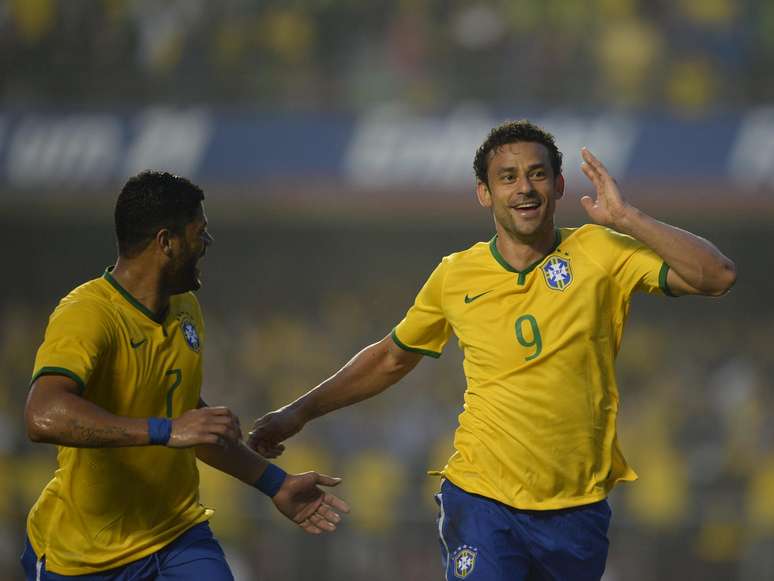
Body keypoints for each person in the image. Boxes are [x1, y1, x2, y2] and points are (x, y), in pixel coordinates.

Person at [247, 120, 737, 581]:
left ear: (559, 186)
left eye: (536, 174)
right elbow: (391, 357)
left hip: (577, 507)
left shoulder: (601, 252)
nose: (523, 188)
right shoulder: (456, 275)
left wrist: (628, 218)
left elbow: (716, 276)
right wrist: (296, 413)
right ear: (485, 193)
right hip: (482, 498)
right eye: (507, 177)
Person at [22, 171, 350, 580]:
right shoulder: (87, 313)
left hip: (177, 537)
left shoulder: (186, 309)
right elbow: (42, 415)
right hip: (84, 555)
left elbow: (188, 426)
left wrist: (276, 484)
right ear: (166, 242)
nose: (207, 244)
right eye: (200, 232)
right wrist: (165, 430)